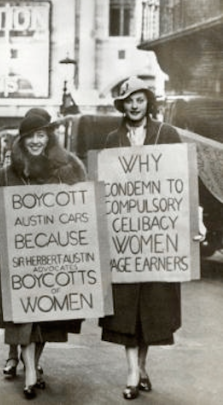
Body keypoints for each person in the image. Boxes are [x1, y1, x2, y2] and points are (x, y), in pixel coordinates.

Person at [0, 109, 86, 399]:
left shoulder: (69, 167)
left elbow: (83, 206)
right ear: (21, 141)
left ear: (49, 137)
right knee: (22, 319)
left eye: (41, 135)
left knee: (45, 317)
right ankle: (29, 370)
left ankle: (34, 361)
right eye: (30, 136)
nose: (35, 141)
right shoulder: (7, 174)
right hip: (19, 259)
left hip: (54, 255)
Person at [99, 77, 183, 400]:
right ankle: (132, 372)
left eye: (140, 100)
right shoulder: (111, 139)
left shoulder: (167, 135)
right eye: (129, 101)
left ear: (149, 103)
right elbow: (103, 186)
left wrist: (193, 220)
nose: (134, 106)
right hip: (123, 241)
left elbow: (181, 182)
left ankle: (143, 365)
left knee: (150, 307)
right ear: (122, 105)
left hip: (157, 238)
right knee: (126, 308)